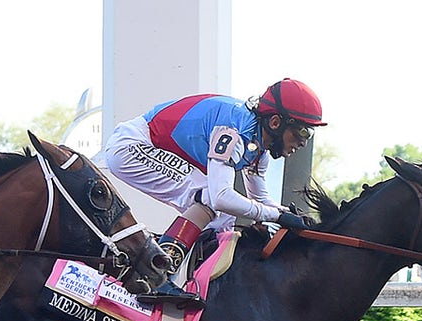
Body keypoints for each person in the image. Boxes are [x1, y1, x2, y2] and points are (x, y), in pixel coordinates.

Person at [103, 78, 326, 307]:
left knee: (224, 220)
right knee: (211, 199)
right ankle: (157, 277)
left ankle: (201, 281)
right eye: (303, 132)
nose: (303, 143)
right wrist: (277, 216)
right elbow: (221, 198)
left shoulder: (259, 149)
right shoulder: (234, 130)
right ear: (276, 122)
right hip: (132, 146)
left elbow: (260, 202)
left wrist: (287, 216)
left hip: (148, 146)